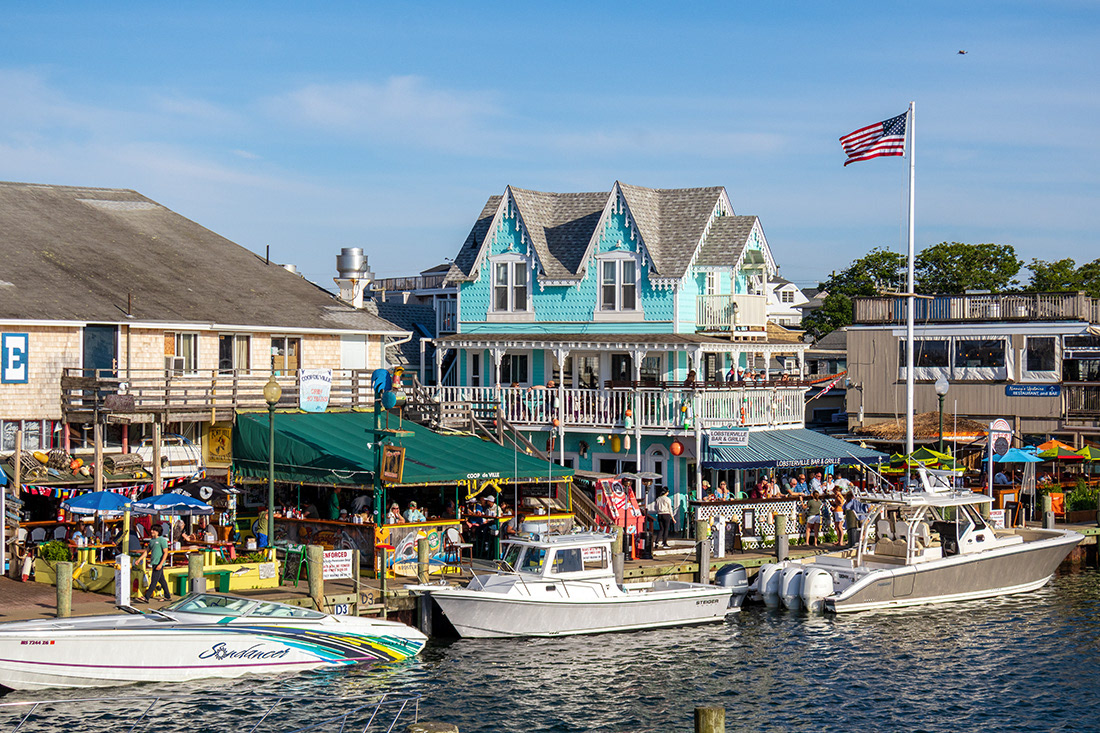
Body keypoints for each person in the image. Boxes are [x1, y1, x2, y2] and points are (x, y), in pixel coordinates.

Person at [137, 524, 171, 604]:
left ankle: (146, 597)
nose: (151, 531)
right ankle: (167, 596)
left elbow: (166, 553)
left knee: (154, 580)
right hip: (154, 563)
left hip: (159, 563)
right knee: (162, 580)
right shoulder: (151, 541)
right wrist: (139, 559)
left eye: (154, 530)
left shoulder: (162, 540)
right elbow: (147, 551)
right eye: (152, 530)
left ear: (158, 532)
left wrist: (161, 564)